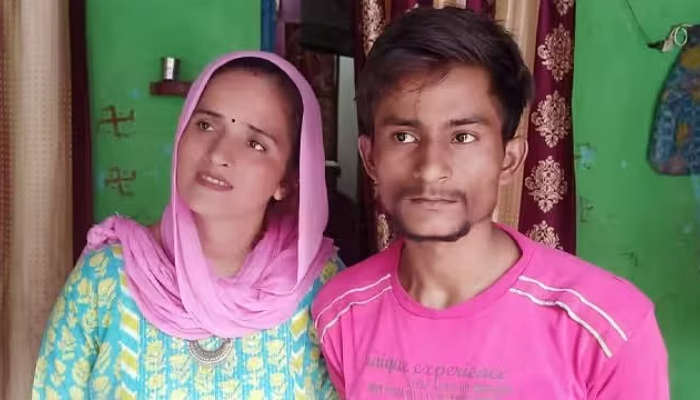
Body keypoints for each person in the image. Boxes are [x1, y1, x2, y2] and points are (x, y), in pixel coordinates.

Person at [311, 7, 668, 399]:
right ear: (370, 159)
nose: (431, 169)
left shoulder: (607, 326)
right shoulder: (341, 313)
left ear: (509, 160)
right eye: (404, 137)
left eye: (463, 137)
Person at [33, 51, 342, 399]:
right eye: (206, 125)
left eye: (255, 143)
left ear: (287, 180)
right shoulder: (104, 280)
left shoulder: (322, 288)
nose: (218, 154)